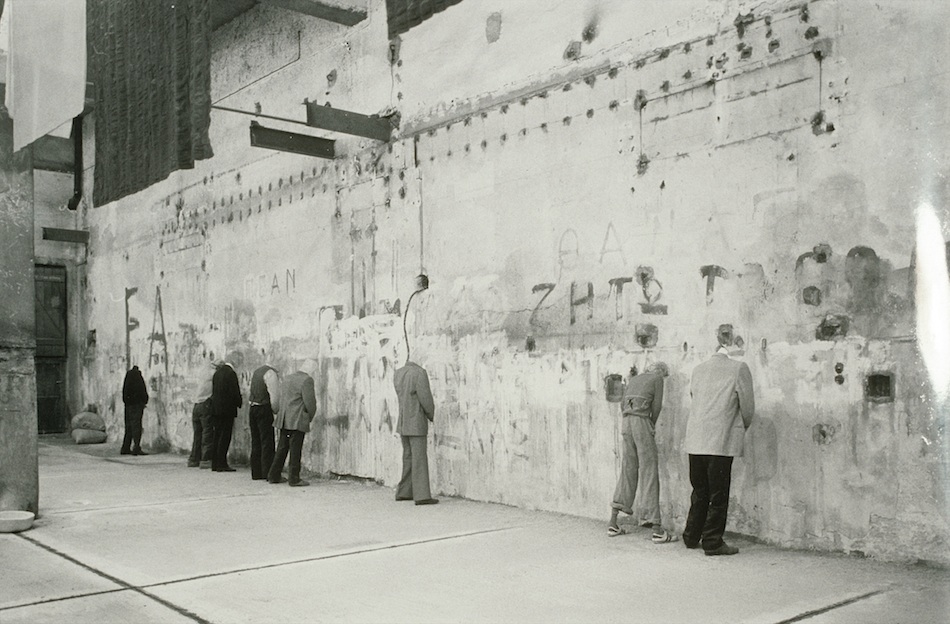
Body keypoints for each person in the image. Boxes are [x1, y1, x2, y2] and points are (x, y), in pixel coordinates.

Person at [682, 337, 755, 555]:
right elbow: (748, 407)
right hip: (720, 441)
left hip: (695, 440)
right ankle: (712, 541)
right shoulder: (739, 368)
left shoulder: (698, 369)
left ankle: (691, 536)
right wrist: (740, 427)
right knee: (718, 494)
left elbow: (694, 397)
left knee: (699, 491)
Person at [607, 362, 676, 543]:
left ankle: (613, 522)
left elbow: (623, 404)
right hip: (641, 422)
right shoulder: (657, 378)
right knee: (649, 471)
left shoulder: (635, 379)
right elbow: (657, 406)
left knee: (627, 469)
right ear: (662, 371)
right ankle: (656, 528)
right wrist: (650, 424)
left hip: (627, 422)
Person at [394, 360, 438, 505]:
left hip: (403, 422)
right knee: (419, 458)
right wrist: (431, 414)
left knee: (407, 457)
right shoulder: (419, 373)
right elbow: (425, 398)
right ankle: (422, 495)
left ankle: (404, 491)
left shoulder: (398, 373)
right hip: (416, 422)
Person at [268, 369, 316, 487]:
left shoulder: (288, 378)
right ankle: (294, 478)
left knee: (282, 447)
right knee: (295, 449)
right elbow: (310, 402)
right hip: (297, 418)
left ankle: (273, 475)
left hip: (285, 418)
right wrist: (310, 416)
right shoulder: (307, 380)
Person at [248, 364, 281, 480]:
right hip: (264, 408)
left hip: (252, 407)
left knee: (256, 441)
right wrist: (276, 410)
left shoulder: (257, 371)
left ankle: (256, 472)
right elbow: (275, 397)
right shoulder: (271, 374)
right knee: (267, 441)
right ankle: (268, 472)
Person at [211, 356, 243, 472]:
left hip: (216, 409)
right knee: (225, 436)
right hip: (227, 410)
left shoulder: (217, 373)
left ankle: (215, 463)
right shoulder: (231, 374)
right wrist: (239, 403)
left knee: (217, 435)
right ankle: (222, 463)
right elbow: (235, 391)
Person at [188, 359, 218, 468]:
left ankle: (193, 459)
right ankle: (205, 459)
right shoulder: (214, 374)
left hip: (196, 404)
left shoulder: (203, 372)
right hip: (205, 404)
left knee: (197, 434)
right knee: (207, 433)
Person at [120, 365, 149, 456]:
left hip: (128, 405)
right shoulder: (138, 377)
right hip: (136, 405)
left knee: (128, 427)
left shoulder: (128, 378)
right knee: (136, 427)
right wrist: (144, 401)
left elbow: (124, 393)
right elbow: (142, 391)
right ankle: (136, 447)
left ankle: (125, 447)